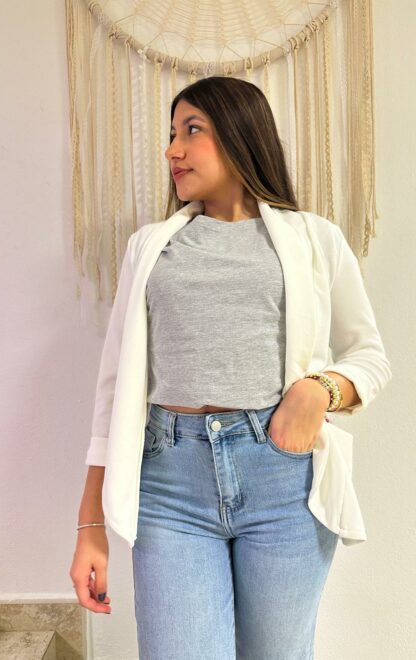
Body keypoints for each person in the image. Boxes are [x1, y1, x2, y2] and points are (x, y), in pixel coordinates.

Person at [70, 76, 392, 659]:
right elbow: (113, 389)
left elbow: (368, 356)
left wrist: (318, 390)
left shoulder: (314, 239)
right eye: (172, 134)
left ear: (241, 134)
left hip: (283, 484)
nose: (172, 150)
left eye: (191, 130)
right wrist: (90, 525)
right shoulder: (151, 246)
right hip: (169, 484)